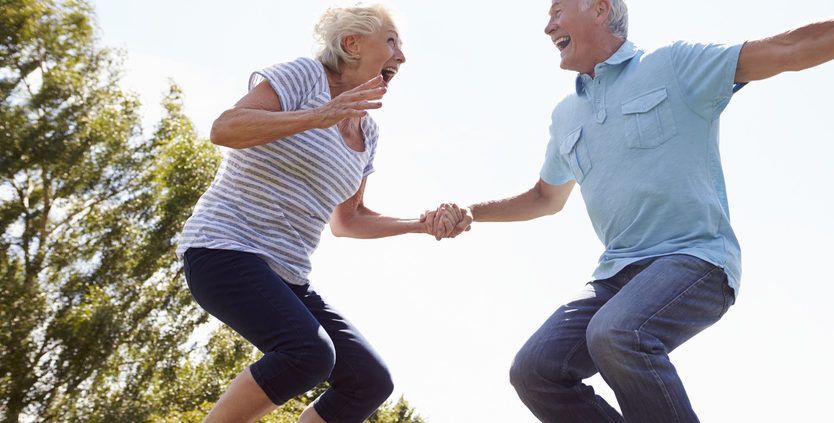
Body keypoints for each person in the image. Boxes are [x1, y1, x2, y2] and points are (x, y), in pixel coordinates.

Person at [426, 0, 834, 421]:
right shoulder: (566, 116)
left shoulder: (674, 67)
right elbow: (544, 198)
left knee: (616, 332)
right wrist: (472, 211)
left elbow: (787, 50)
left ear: (600, 9)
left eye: (557, 11)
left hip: (696, 258)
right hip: (616, 276)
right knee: (535, 370)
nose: (548, 27)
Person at [176, 4, 456, 422]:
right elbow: (225, 129)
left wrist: (420, 224)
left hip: (287, 275)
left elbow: (349, 220)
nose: (402, 55)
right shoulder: (305, 77)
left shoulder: (367, 129)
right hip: (222, 250)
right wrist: (317, 116)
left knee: (368, 380)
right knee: (308, 354)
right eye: (392, 42)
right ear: (352, 44)